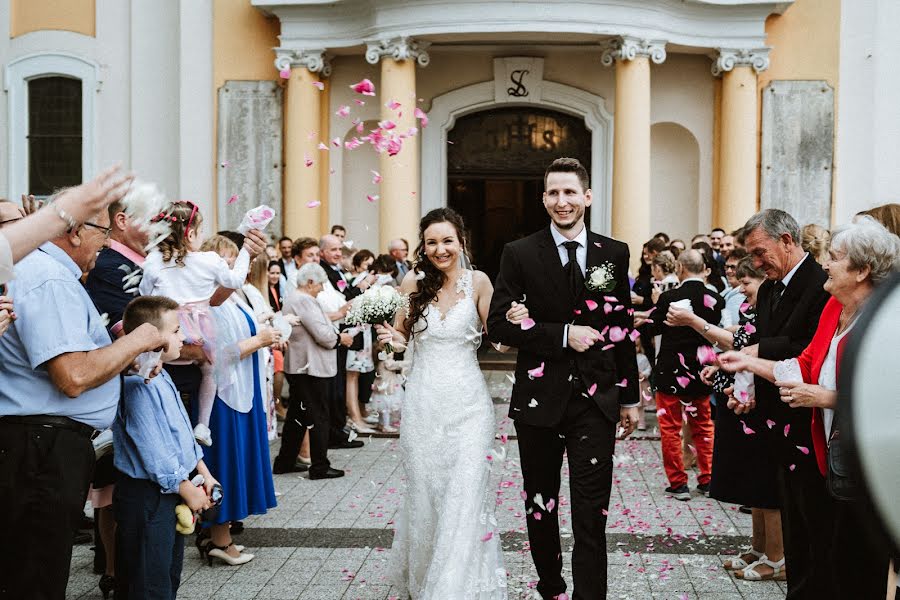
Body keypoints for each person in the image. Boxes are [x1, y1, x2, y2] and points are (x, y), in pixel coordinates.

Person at [719, 216, 899, 597]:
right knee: (824, 556)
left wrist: (824, 397)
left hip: (868, 464)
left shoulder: (888, 322)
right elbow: (804, 363)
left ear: (863, 270)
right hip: (826, 457)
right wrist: (748, 363)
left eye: (834, 257)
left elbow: (889, 399)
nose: (826, 264)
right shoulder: (835, 308)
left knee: (856, 568)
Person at [486, 157, 640, 599]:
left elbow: (620, 326)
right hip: (539, 399)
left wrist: (629, 396)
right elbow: (499, 323)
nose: (562, 201)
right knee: (541, 503)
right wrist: (563, 335)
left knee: (591, 511)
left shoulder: (613, 253)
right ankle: (550, 587)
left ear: (587, 197)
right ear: (543, 199)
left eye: (570, 192)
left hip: (596, 400)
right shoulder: (519, 252)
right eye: (553, 193)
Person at [0, 195, 165, 599]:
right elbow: (72, 376)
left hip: (43, 444)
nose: (107, 245)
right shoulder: (49, 278)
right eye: (104, 233)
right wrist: (141, 338)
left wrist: (119, 355)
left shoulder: (51, 274)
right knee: (35, 574)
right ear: (75, 232)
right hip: (41, 447)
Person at [376, 207, 525, 599]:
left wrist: (517, 320)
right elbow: (401, 338)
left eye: (447, 240)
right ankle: (426, 578)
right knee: (425, 497)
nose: (440, 249)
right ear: (422, 247)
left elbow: (500, 341)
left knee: (463, 496)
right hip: (424, 405)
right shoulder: (412, 282)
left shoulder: (478, 282)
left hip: (468, 408)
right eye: (431, 242)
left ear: (461, 242)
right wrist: (389, 340)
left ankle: (452, 589)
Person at [723, 208, 830, 597]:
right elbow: (764, 350)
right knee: (789, 517)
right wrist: (744, 387)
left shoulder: (821, 284)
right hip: (773, 418)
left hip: (807, 418)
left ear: (787, 241)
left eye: (759, 251)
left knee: (810, 520)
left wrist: (754, 353)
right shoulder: (768, 288)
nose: (754, 262)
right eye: (749, 254)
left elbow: (806, 349)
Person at [666, 255, 784, 580]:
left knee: (763, 483)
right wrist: (718, 366)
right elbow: (739, 345)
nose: (740, 287)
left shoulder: (771, 311)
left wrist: (695, 323)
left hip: (756, 402)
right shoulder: (753, 309)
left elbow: (744, 345)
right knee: (752, 482)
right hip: (736, 397)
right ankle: (759, 548)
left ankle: (776, 555)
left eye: (747, 282)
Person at [113, 296, 217, 599]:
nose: (184, 336)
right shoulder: (136, 385)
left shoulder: (161, 375)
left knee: (166, 573)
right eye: (175, 330)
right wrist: (185, 487)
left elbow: (182, 433)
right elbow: (154, 450)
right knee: (147, 580)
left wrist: (203, 473)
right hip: (147, 493)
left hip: (170, 488)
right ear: (151, 336)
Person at [139, 201, 264, 447]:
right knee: (210, 370)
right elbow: (236, 279)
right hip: (200, 329)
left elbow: (145, 295)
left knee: (152, 365)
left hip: (171, 327)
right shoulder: (209, 260)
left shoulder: (154, 260)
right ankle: (203, 425)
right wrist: (247, 252)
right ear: (192, 233)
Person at [193, 234, 279, 567]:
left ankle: (222, 535)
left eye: (232, 259)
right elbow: (216, 355)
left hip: (244, 388)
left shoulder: (234, 297)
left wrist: (264, 331)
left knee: (237, 462)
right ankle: (218, 538)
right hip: (222, 394)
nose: (230, 265)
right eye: (223, 260)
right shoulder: (206, 302)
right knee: (224, 463)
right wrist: (259, 340)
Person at [83, 188, 153, 595]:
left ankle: (126, 564)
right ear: (122, 221)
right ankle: (114, 570)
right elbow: (120, 325)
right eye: (150, 219)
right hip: (118, 384)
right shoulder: (109, 265)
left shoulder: (146, 263)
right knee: (113, 483)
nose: (158, 229)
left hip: (143, 381)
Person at [639, 250, 723, 501]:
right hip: (702, 369)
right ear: (703, 268)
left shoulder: (669, 297)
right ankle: (707, 479)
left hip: (671, 370)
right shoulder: (715, 298)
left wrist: (654, 307)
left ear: (680, 268)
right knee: (703, 426)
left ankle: (678, 483)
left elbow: (652, 327)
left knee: (670, 427)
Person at [274, 262, 353, 477]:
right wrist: (340, 338)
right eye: (320, 284)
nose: (322, 288)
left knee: (297, 416)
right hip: (311, 368)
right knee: (319, 416)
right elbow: (323, 334)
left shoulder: (294, 298)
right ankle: (319, 466)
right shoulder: (305, 300)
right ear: (309, 282)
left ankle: (285, 461)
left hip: (300, 365)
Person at [0, 165, 133, 286]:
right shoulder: (51, 278)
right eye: (20, 222)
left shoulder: (64, 273)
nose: (108, 242)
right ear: (76, 233)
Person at [369, 347, 409, 433]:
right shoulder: (387, 361)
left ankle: (380, 424)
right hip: (387, 389)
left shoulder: (380, 362)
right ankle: (386, 425)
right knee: (386, 409)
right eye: (391, 351)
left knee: (382, 408)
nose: (393, 353)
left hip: (381, 388)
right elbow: (395, 365)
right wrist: (408, 363)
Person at [720, 247, 749, 328]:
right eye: (727, 267)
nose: (728, 271)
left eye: (733, 267)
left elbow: (733, 325)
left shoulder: (743, 294)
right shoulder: (727, 291)